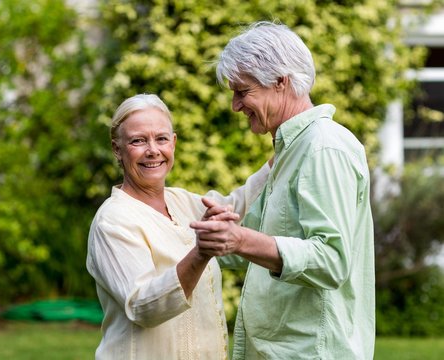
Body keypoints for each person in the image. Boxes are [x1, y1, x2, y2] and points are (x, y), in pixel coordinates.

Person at [191, 21, 375, 359]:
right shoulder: (291, 151)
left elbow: (332, 260)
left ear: (280, 81)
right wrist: (214, 234)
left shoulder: (323, 147)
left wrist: (240, 239)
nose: (235, 105)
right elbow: (252, 242)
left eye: (242, 91)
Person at [86, 94, 271, 359]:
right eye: (138, 140)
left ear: (173, 143)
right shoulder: (113, 220)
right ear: (117, 149)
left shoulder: (181, 201)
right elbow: (143, 306)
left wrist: (284, 153)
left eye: (161, 139)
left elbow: (237, 207)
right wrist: (200, 253)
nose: (153, 150)